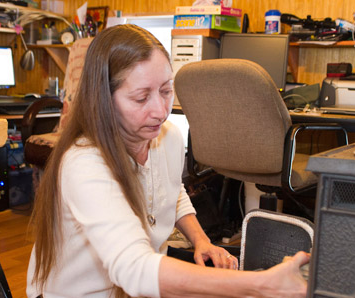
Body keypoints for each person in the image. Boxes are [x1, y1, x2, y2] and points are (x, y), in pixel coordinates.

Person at [27, 24, 309, 298]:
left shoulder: (169, 137)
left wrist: (201, 241)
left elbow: (171, 190)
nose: (161, 111)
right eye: (141, 98)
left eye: (166, 91)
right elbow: (135, 269)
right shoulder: (84, 163)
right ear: (103, 100)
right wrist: (258, 284)